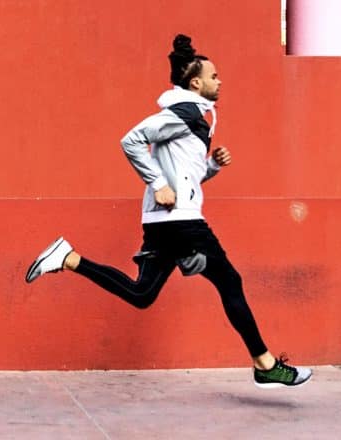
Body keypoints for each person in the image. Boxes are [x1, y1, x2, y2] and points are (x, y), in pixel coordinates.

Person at [25, 34, 311, 388]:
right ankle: (265, 364)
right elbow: (130, 139)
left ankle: (69, 258)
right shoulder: (184, 113)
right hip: (182, 222)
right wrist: (157, 181)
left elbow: (187, 176)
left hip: (166, 221)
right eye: (214, 76)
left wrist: (213, 167)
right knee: (231, 282)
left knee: (142, 295)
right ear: (196, 82)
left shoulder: (197, 115)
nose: (220, 81)